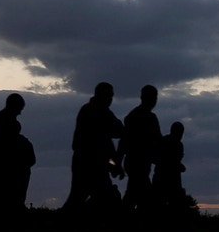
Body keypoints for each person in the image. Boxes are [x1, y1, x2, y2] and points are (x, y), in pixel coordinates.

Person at [65, 82, 124, 210]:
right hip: (88, 164)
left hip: (91, 164)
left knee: (79, 198)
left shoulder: (100, 111)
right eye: (109, 96)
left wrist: (114, 164)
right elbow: (107, 140)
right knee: (79, 198)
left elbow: (115, 133)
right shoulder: (94, 112)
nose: (110, 99)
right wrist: (115, 164)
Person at [0, 93, 36, 211]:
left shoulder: (2, 119)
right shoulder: (2, 120)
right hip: (4, 166)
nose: (20, 112)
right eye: (19, 108)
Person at [121, 85, 162, 210]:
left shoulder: (133, 116)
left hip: (135, 162)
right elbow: (157, 141)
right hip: (138, 162)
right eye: (152, 97)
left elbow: (124, 141)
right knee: (143, 197)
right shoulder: (147, 117)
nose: (154, 100)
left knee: (135, 195)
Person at [152, 122, 187, 209]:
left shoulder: (164, 142)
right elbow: (172, 161)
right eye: (180, 133)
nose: (181, 135)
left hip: (164, 179)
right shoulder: (177, 144)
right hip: (168, 180)